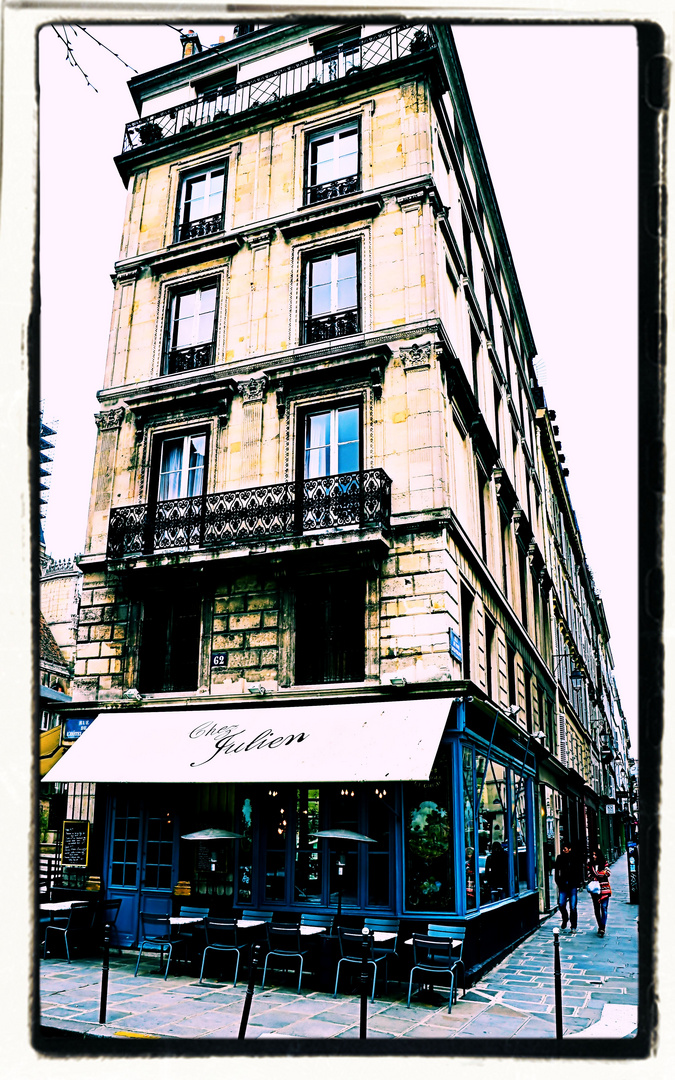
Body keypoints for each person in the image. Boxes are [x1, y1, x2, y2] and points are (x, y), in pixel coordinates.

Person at [554, 841, 581, 932]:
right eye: (563, 849)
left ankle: (573, 926)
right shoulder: (560, 858)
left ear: (570, 849)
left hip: (572, 885)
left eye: (565, 849)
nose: (563, 850)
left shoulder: (574, 858)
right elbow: (557, 871)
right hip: (563, 885)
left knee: (573, 907)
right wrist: (558, 882)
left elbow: (578, 870)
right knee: (561, 904)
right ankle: (565, 918)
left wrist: (578, 883)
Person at [587, 848, 612, 936]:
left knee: (604, 907)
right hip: (595, 889)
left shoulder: (604, 863)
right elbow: (589, 874)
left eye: (595, 854)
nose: (594, 856)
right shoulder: (590, 864)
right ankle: (600, 925)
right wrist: (598, 874)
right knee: (597, 908)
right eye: (593, 855)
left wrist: (597, 874)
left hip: (604, 888)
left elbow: (608, 873)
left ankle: (603, 927)